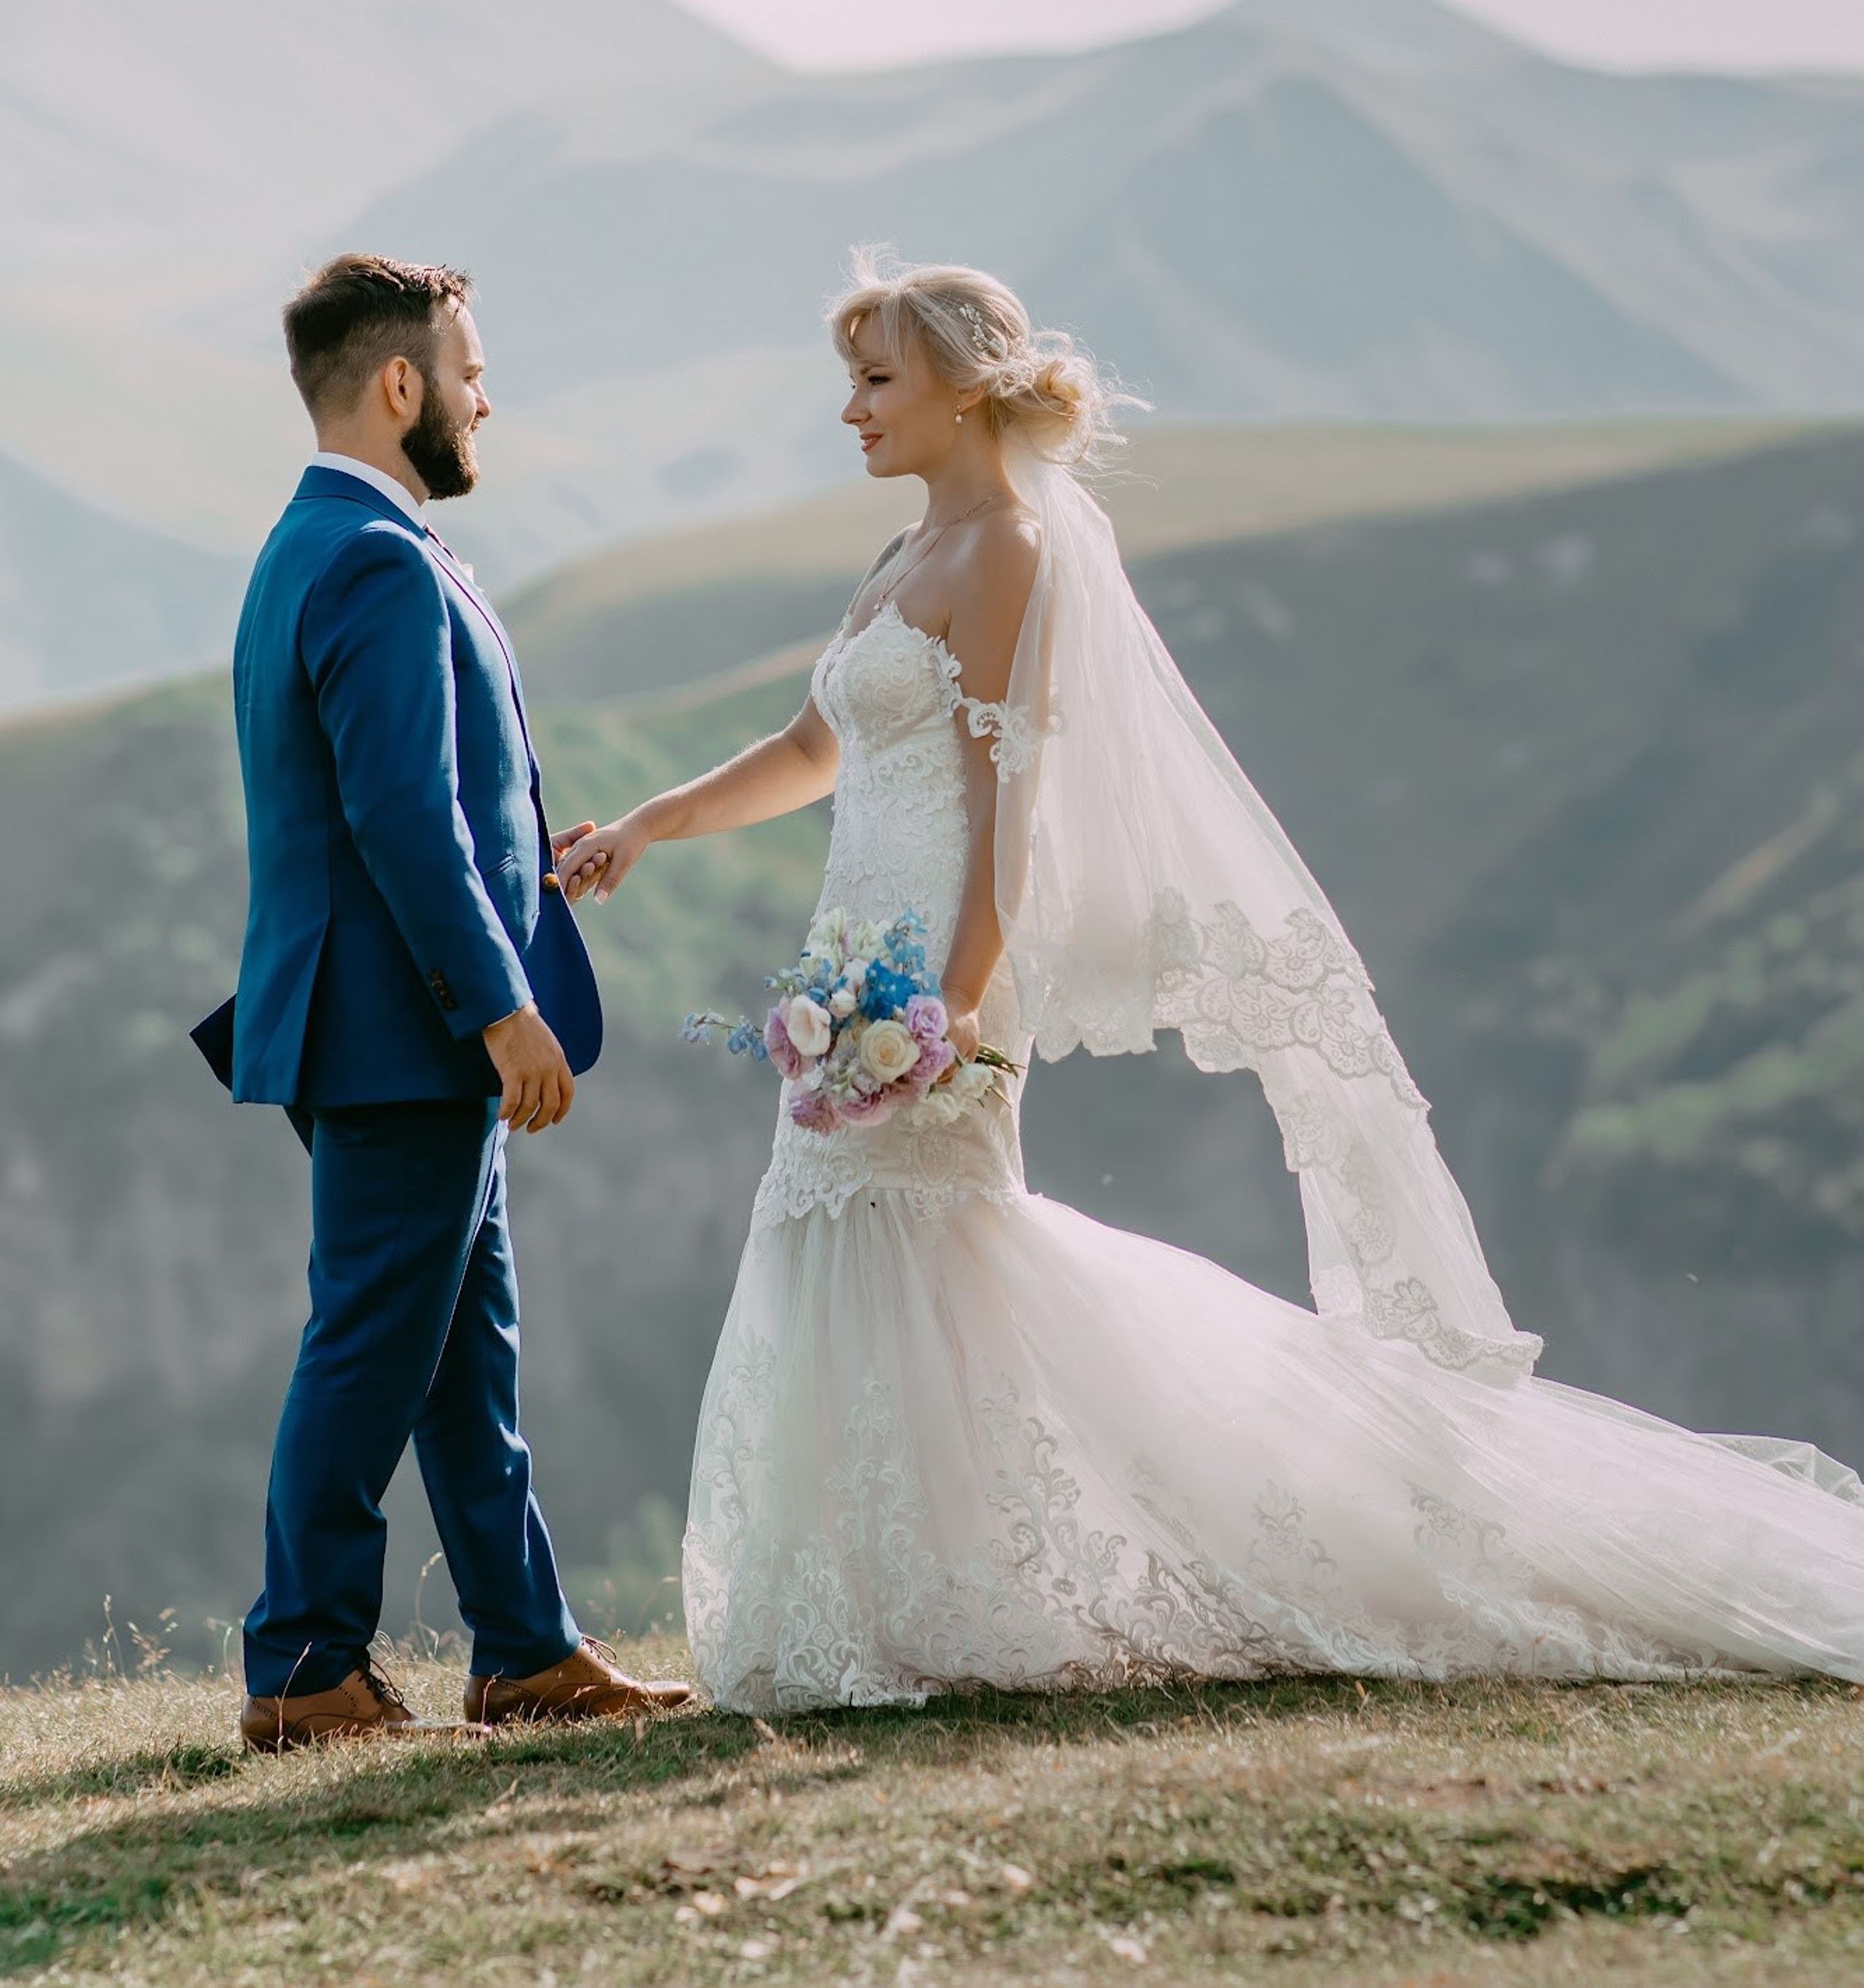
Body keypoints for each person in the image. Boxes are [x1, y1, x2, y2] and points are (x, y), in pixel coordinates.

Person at [560, 253, 1864, 1715]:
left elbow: (1008, 809)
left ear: (962, 392)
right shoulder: (900, 554)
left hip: (931, 983)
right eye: (847, 382)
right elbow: (815, 749)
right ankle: (878, 1593)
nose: (851, 410)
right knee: (859, 1243)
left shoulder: (1004, 554)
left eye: (876, 381)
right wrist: (648, 825)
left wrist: (954, 1005)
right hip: (849, 963)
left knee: (931, 1243)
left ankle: (963, 1588)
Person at [196, 253, 689, 1747]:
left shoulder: (319, 540)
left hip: (379, 1019)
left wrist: (530, 860)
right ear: (401, 382)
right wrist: (497, 1005)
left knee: (467, 1358)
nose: (485, 399)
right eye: (470, 372)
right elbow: (399, 815)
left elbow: (422, 800)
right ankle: (302, 1665)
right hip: (402, 1032)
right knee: (368, 1343)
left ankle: (526, 1650)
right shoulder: (375, 557)